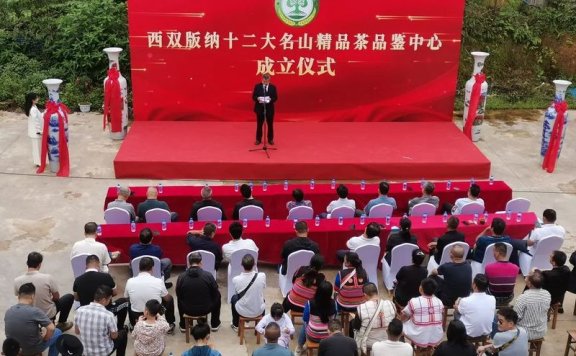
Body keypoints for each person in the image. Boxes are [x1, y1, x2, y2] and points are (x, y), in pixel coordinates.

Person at [13, 251, 74, 331]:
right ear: (39, 264)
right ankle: (62, 323)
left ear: (27, 263)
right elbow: (56, 297)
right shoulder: (48, 278)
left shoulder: (17, 281)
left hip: (29, 315)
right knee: (69, 297)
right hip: (48, 314)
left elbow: (20, 298)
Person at [72, 255, 129, 329]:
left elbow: (76, 298)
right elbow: (115, 293)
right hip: (105, 310)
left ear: (86, 265)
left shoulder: (78, 280)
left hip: (86, 312)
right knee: (124, 302)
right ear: (98, 264)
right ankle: (120, 328)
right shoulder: (106, 277)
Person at [4, 283, 62, 356]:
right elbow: (51, 328)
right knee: (58, 332)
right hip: (32, 349)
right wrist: (45, 339)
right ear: (32, 296)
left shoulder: (8, 311)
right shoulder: (35, 311)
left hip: (14, 348)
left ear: (18, 296)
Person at [124, 257, 176, 332]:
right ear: (152, 268)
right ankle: (170, 323)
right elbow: (166, 298)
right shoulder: (158, 281)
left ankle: (133, 325)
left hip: (137, 314)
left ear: (139, 268)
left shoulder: (129, 281)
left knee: (129, 302)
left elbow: (126, 297)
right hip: (155, 312)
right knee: (170, 299)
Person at [75, 285, 128, 356]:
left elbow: (77, 332)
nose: (110, 302)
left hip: (85, 352)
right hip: (103, 353)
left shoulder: (79, 310)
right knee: (123, 333)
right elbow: (114, 336)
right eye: (109, 299)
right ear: (103, 300)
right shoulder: (108, 315)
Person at [176, 252, 221, 332]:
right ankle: (215, 324)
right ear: (201, 263)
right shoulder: (208, 275)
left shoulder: (181, 276)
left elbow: (178, 293)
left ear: (188, 263)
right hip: (206, 308)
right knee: (218, 296)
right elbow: (215, 291)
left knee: (180, 299)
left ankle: (183, 325)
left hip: (187, 309)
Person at [351, 283, 396, 352]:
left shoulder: (361, 308)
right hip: (388, 339)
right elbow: (394, 321)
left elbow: (357, 327)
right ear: (377, 291)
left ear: (365, 295)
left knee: (352, 323)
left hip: (369, 343)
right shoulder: (391, 304)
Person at [400, 278, 444, 348]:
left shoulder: (414, 301)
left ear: (421, 288)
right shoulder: (439, 302)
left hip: (419, 337)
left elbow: (404, 315)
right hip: (436, 335)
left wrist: (400, 322)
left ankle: (403, 349)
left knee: (399, 326)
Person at [296, 281, 338, 354]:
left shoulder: (310, 303)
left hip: (313, 335)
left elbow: (305, 319)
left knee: (304, 324)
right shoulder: (334, 303)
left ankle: (299, 347)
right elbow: (334, 318)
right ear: (330, 292)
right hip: (328, 336)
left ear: (318, 291)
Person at [231, 254, 266, 332]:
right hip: (258, 310)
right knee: (262, 299)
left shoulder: (236, 279)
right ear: (254, 264)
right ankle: (261, 325)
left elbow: (237, 293)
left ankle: (236, 324)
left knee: (234, 298)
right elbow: (263, 287)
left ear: (241, 265)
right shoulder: (262, 276)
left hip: (243, 311)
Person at [454, 273, 495, 338]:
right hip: (487, 332)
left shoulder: (465, 300)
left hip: (468, 333)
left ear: (474, 285)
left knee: (456, 312)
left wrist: (456, 305)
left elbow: (459, 310)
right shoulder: (492, 299)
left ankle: (458, 337)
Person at [514, 270, 551, 340]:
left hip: (524, 332)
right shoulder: (547, 294)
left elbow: (516, 317)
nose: (526, 276)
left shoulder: (524, 297)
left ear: (530, 284)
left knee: (501, 319)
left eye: (527, 276)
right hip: (542, 330)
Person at [252, 73, 278, 145]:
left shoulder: (273, 87)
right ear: (262, 79)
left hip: (269, 109)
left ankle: (270, 139)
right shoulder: (257, 86)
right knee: (259, 124)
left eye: (267, 80)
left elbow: (275, 97)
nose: (265, 82)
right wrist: (258, 98)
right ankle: (258, 139)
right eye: (264, 80)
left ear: (269, 80)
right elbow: (253, 96)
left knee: (270, 125)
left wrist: (270, 99)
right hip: (259, 108)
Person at [25, 92, 43, 166]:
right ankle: (39, 163)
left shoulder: (33, 107)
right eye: (36, 97)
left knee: (36, 148)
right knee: (37, 149)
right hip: (35, 132)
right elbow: (36, 122)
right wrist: (39, 131)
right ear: (33, 100)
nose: (38, 99)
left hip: (34, 132)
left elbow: (39, 116)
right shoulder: (33, 109)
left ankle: (38, 162)